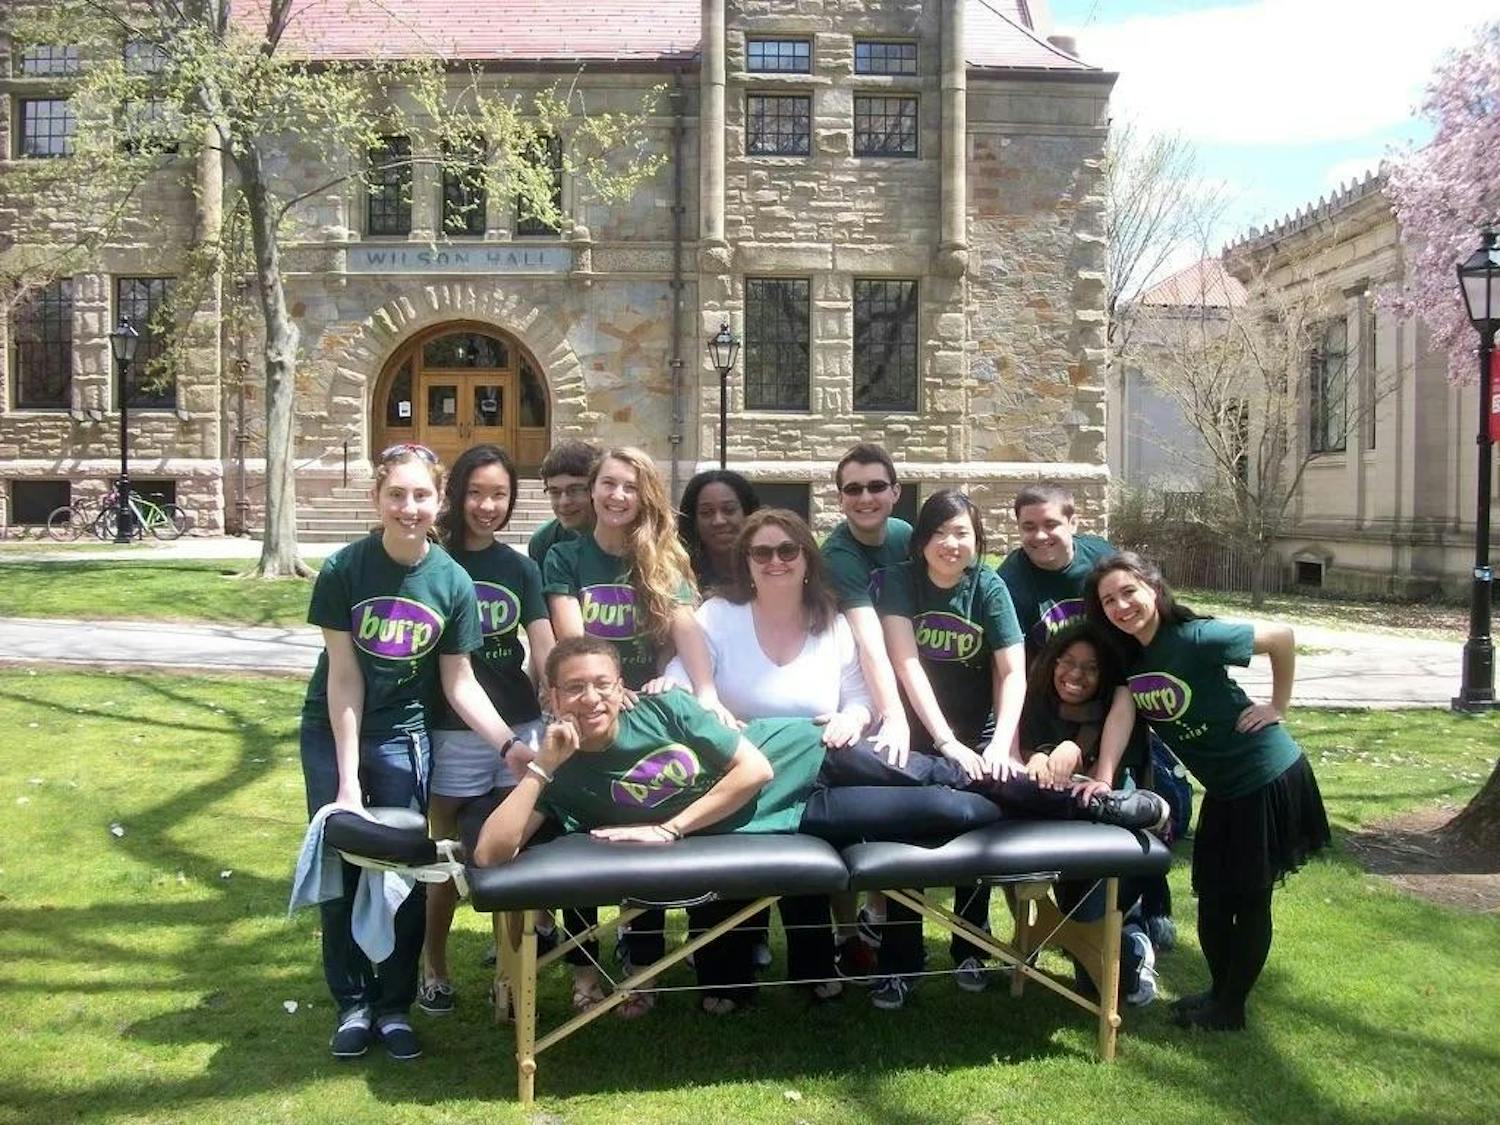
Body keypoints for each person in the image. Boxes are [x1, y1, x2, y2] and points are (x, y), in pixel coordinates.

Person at [300, 442, 531, 1062]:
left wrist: (507, 742)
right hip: (334, 730)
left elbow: (459, 681)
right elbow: (343, 679)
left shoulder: (452, 580)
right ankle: (352, 1003)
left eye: (421, 495)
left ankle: (395, 1005)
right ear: (376, 499)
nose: (409, 507)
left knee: (400, 869)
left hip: (405, 734)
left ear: (439, 501)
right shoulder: (344, 570)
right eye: (396, 495)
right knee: (344, 863)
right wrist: (347, 783)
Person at [470, 636, 828, 1016]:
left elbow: (756, 768)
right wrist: (540, 768)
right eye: (575, 688)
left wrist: (669, 828)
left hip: (814, 755)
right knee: (884, 813)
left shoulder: (663, 709)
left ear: (620, 686)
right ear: (552, 698)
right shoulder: (559, 766)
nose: (591, 698)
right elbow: (489, 854)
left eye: (602, 684)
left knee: (898, 810)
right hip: (793, 811)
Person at [1084, 551, 1331, 1032]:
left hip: (1265, 775)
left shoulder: (1195, 637)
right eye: (1109, 599)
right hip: (1223, 788)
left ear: (1153, 587)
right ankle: (1220, 994)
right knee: (1214, 897)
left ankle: (1230, 1008)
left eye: (1128, 591)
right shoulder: (1131, 657)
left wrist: (1277, 705)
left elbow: (1281, 637)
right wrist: (1105, 775)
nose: (1121, 605)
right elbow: (1121, 716)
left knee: (1251, 899)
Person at [872, 488, 1028, 1008]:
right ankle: (900, 961)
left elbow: (1012, 671)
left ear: (977, 540)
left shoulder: (990, 587)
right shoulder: (901, 581)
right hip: (916, 734)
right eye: (939, 532)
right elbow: (905, 663)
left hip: (980, 732)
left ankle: (971, 946)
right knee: (906, 840)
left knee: (976, 830)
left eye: (961, 533)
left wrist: (1000, 744)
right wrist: (944, 742)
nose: (950, 543)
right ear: (921, 541)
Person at [419, 444, 555, 1018]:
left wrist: (557, 694)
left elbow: (543, 641)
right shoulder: (431, 561)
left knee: (510, 853)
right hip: (451, 731)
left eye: (499, 494)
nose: (487, 505)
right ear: (456, 495)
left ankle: (509, 976)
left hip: (514, 727)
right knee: (445, 861)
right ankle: (434, 967)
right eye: (476, 492)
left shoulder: (519, 567)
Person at [1020, 620, 1158, 1005]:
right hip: (1057, 829)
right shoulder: (1038, 699)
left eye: (1091, 667)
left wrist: (1074, 752)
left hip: (1105, 837)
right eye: (1067, 661)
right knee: (1083, 955)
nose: (1076, 674)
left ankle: (1135, 944)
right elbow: (1026, 751)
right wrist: (1044, 754)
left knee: (1104, 978)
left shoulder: (1117, 712)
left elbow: (1111, 785)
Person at [998, 483, 1115, 664]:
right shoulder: (1008, 582)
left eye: (1051, 524)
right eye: (1029, 527)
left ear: (1073, 524)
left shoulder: (1104, 559)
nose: (1040, 536)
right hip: (1045, 680)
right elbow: (1010, 659)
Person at [677, 468, 760, 596]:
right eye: (706, 513)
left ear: (748, 513)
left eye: (729, 510)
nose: (719, 521)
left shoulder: (770, 566)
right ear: (694, 521)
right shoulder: (679, 575)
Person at [528, 439, 600, 568]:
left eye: (575, 490)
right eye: (554, 492)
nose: (564, 502)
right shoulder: (543, 541)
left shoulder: (625, 536)